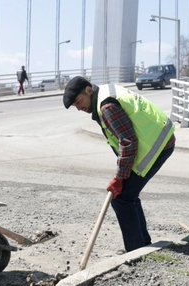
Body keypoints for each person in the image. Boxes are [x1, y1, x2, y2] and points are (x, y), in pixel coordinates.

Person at [62, 76, 175, 253]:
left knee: (121, 198)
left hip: (157, 145)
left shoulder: (107, 107)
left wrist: (120, 177)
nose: (79, 108)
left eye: (79, 101)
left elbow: (128, 143)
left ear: (88, 90)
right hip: (160, 138)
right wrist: (122, 175)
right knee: (128, 196)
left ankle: (137, 249)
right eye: (76, 106)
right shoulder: (106, 93)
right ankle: (142, 245)